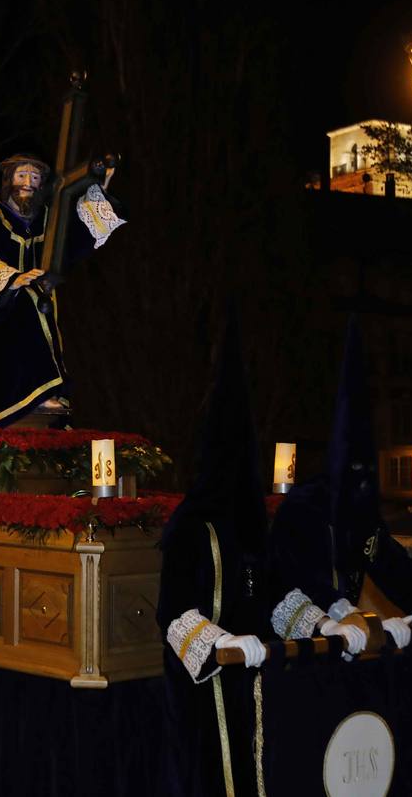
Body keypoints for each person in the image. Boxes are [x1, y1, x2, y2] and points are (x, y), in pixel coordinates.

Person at [266, 318, 412, 659]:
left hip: (344, 642)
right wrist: (343, 617)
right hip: (298, 642)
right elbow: (297, 576)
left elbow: (393, 565)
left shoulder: (361, 514)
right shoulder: (302, 509)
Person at [157, 310, 269, 797]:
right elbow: (174, 613)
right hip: (210, 692)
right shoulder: (190, 525)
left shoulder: (252, 525)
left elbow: (275, 589)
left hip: (259, 682)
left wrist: (322, 623)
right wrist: (221, 644)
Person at [0, 152, 126, 428]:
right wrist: (12, 281)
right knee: (27, 303)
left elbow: (75, 237)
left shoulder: (47, 217)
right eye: (21, 175)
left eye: (34, 178)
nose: (28, 182)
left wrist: (102, 184)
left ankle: (41, 392)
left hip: (36, 299)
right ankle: (35, 392)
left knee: (35, 304)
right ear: (9, 179)